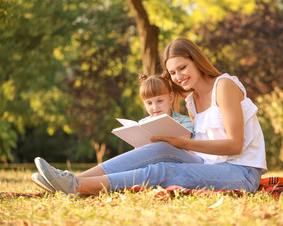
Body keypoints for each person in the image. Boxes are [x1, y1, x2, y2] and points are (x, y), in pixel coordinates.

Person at [33, 37, 267, 196]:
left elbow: (235, 145)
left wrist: (183, 143)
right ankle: (69, 179)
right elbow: (200, 151)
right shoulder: (191, 101)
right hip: (209, 165)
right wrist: (172, 142)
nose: (178, 77)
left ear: (197, 61)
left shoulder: (224, 86)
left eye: (183, 67)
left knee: (164, 170)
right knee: (159, 150)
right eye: (173, 72)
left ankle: (78, 185)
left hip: (241, 173)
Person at [32, 73, 193, 193]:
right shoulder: (144, 124)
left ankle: (70, 181)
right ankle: (69, 180)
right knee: (129, 163)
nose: (154, 107)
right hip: (149, 163)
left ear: (171, 98)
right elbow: (139, 153)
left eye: (160, 100)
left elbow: (191, 149)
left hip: (175, 164)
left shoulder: (185, 121)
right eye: (149, 103)